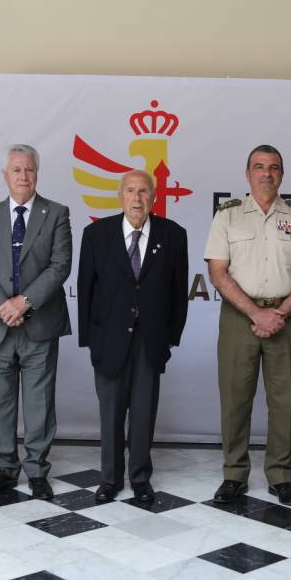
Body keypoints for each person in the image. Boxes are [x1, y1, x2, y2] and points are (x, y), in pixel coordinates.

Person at [204, 144, 291, 506]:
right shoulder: (228, 216)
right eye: (259, 166)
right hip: (240, 318)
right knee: (235, 398)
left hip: (286, 318)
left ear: (282, 175)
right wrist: (256, 314)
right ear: (248, 173)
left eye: (274, 167)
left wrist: (280, 314)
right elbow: (218, 273)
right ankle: (234, 474)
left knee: (284, 401)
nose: (267, 173)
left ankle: (281, 475)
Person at [77, 170, 189, 503]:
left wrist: (172, 336)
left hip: (150, 339)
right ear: (120, 196)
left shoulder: (173, 235)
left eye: (143, 192)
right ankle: (110, 479)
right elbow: (86, 289)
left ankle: (140, 478)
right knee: (110, 412)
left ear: (154, 197)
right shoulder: (96, 234)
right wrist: (89, 338)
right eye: (130, 191)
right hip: (109, 339)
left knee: (143, 412)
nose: (137, 198)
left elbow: (178, 291)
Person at [0, 144, 71, 500]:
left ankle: (38, 471)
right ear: (5, 175)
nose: (23, 176)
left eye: (29, 170)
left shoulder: (56, 213)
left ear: (37, 174)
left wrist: (23, 303)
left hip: (39, 325)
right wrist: (2, 305)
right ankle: (4, 469)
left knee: (40, 400)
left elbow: (60, 265)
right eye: (16, 170)